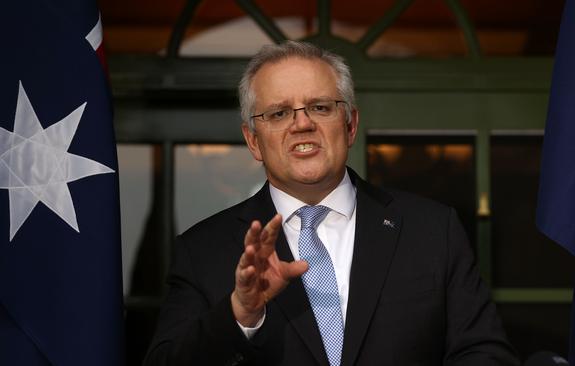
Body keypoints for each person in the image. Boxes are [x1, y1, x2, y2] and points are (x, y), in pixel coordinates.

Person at [144, 41, 519, 366]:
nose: (302, 124)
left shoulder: (433, 230)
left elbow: (484, 354)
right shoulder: (203, 250)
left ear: (351, 124)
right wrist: (240, 313)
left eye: (320, 107)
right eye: (278, 113)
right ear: (254, 141)